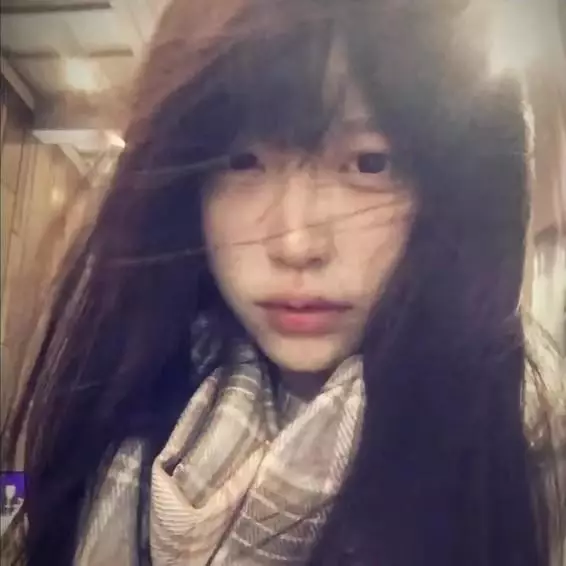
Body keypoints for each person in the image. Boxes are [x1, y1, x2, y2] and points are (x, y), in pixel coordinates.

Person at [2, 1, 565, 565]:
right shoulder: (120, 402)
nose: (297, 244)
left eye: (370, 163)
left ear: (447, 184)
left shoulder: (532, 462)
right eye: (241, 161)